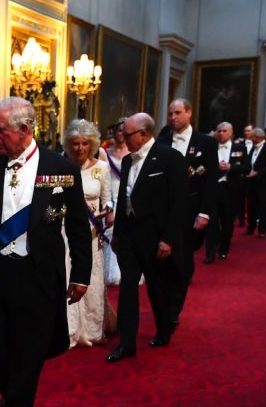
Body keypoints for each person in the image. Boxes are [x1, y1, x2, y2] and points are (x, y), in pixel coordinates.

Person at [0, 100, 91, 407]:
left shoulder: (62, 170)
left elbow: (77, 228)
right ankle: (12, 395)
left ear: (26, 131)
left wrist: (82, 275)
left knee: (28, 354)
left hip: (38, 277)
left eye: (0, 130)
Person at [106, 112, 186, 363]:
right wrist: (118, 233)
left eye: (127, 134)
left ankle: (164, 329)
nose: (122, 138)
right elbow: (123, 199)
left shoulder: (170, 158)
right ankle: (126, 343)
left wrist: (168, 239)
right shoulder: (128, 160)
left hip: (155, 235)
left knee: (157, 286)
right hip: (129, 234)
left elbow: (179, 203)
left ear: (144, 134)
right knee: (128, 288)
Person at [157, 99, 218, 317]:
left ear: (189, 113)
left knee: (183, 260)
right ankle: (165, 306)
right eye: (170, 113)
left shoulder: (206, 143)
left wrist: (204, 212)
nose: (173, 117)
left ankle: (174, 311)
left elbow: (211, 180)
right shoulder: (162, 142)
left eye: (178, 113)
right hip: (165, 211)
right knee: (164, 261)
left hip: (192, 209)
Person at [63, 118, 114, 347]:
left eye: (85, 143)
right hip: (64, 232)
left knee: (91, 280)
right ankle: (69, 330)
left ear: (92, 144)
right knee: (66, 276)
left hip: (93, 233)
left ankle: (92, 329)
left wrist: (108, 212)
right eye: (75, 143)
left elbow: (107, 200)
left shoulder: (102, 168)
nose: (80, 148)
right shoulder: (60, 166)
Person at [208, 122, 250, 261]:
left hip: (231, 190)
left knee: (227, 222)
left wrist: (231, 167)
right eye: (219, 131)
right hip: (213, 189)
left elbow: (247, 168)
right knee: (211, 222)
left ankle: (224, 249)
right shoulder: (210, 147)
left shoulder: (240, 148)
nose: (221, 133)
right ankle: (210, 252)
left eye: (224, 131)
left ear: (231, 133)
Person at [102, 119, 129, 286]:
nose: (122, 134)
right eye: (120, 131)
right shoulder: (106, 152)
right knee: (110, 231)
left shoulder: (133, 152)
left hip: (127, 195)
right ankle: (109, 270)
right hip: (110, 194)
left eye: (125, 131)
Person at [244, 127, 266, 238]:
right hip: (251, 182)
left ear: (257, 137)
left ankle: (262, 230)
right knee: (251, 206)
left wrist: (258, 173)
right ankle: (251, 227)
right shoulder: (253, 148)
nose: (250, 137)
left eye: (252, 136)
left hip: (263, 183)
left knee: (263, 207)